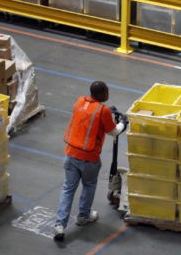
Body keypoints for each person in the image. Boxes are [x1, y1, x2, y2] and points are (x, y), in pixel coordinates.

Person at [54, 81, 127, 241]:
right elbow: (113, 131)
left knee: (68, 189)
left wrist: (108, 112)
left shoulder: (80, 101)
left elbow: (89, 117)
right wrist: (123, 123)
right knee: (89, 185)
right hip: (89, 158)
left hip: (71, 154)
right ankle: (83, 216)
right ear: (101, 94)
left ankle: (60, 225)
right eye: (106, 92)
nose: (108, 94)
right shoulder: (103, 111)